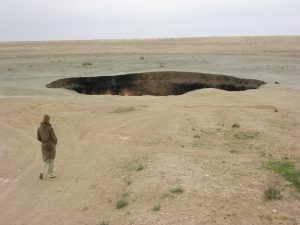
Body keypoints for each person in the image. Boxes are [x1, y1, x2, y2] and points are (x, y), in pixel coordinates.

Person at [37, 114, 57, 179]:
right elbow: (53, 137)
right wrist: (55, 142)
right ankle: (50, 174)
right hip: (50, 145)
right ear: (48, 120)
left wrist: (43, 142)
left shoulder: (39, 128)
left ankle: (42, 172)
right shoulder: (50, 128)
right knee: (51, 159)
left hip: (44, 145)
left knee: (45, 160)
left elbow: (38, 138)